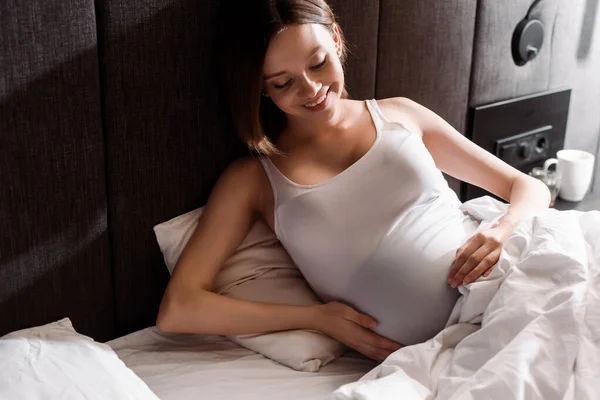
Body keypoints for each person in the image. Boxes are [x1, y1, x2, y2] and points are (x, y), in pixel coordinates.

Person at [156, 0, 550, 362]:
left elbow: (530, 187)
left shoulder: (400, 115)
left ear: (336, 39)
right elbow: (179, 309)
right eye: (283, 82)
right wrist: (316, 318)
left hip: (507, 287)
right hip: (438, 354)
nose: (311, 90)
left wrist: (503, 229)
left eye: (317, 63)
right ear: (261, 86)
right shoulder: (254, 179)